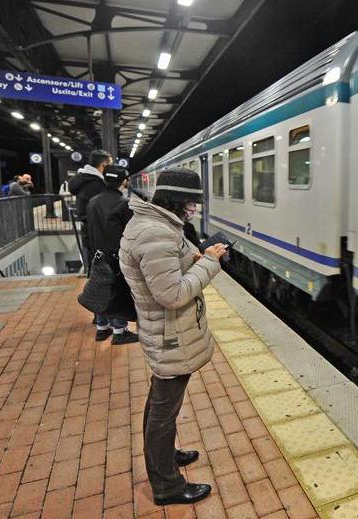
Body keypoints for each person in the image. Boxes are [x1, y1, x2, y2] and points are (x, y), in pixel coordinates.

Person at [119, 168, 226, 506]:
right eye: (191, 204)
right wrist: (209, 264)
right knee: (163, 413)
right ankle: (167, 486)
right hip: (169, 335)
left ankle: (166, 456)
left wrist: (194, 257)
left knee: (161, 406)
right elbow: (172, 294)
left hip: (165, 331)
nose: (193, 210)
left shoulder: (155, 225)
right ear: (178, 201)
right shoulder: (156, 233)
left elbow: (166, 269)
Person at [85, 165, 137, 344]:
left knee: (101, 290)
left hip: (97, 255)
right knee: (119, 292)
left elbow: (86, 231)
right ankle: (119, 332)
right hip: (117, 257)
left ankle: (101, 328)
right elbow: (131, 233)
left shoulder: (92, 201)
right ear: (123, 182)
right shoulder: (123, 204)